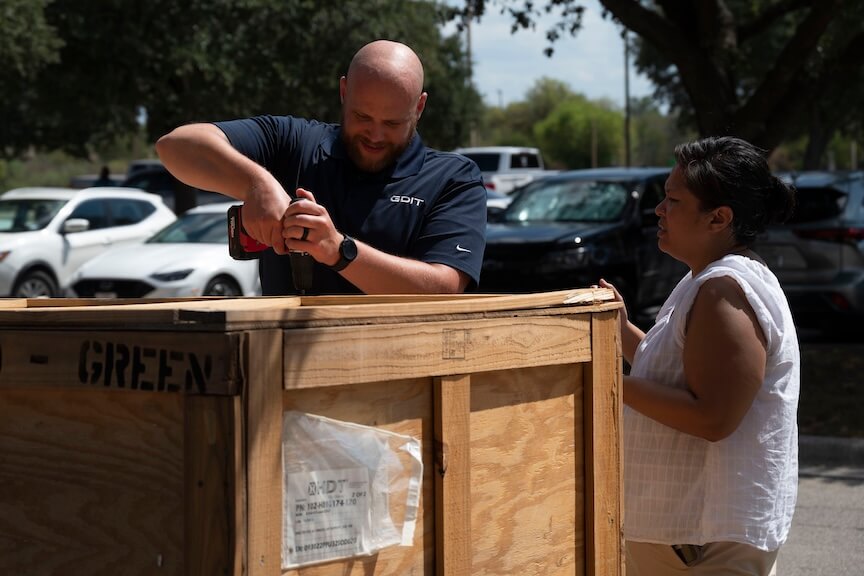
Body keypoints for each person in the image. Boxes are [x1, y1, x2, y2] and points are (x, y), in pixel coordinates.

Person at [599, 136, 799, 575]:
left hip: (702, 546)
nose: (659, 210)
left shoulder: (724, 291)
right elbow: (675, 371)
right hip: (686, 538)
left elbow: (713, 417)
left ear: (719, 218)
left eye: (672, 200)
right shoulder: (705, 281)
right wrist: (620, 330)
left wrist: (604, 382)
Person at [155, 40, 486, 296]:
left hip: (399, 375)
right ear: (344, 92)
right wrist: (256, 184)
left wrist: (339, 251)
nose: (375, 134)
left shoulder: (454, 178)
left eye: (392, 122)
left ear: (420, 107)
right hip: (283, 373)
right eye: (362, 117)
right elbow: (174, 146)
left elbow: (444, 287)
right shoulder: (293, 142)